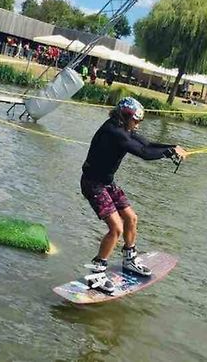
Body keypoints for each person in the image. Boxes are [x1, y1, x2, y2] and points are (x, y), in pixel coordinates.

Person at [80, 97, 187, 293]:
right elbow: (144, 154)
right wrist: (169, 153)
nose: (138, 124)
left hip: (107, 183)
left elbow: (148, 144)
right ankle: (97, 272)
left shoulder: (125, 129)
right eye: (136, 120)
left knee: (131, 218)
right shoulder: (114, 132)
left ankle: (129, 259)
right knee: (116, 228)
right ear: (126, 116)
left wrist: (173, 147)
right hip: (93, 184)